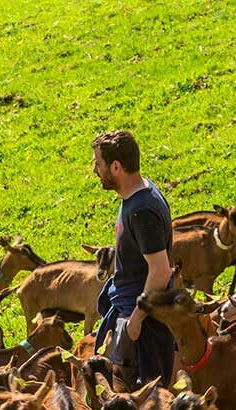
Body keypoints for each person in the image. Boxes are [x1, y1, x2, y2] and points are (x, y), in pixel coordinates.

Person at [90, 130, 175, 387]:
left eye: (98, 163)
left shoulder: (142, 210)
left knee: (142, 401)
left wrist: (136, 320)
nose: (95, 169)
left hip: (142, 324)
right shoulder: (139, 193)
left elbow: (160, 271)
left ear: (116, 166)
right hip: (129, 312)